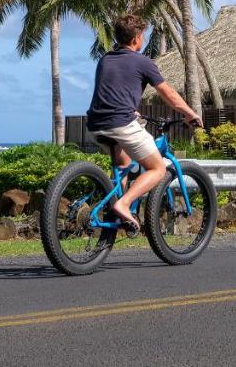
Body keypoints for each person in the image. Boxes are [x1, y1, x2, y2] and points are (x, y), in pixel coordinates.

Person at [86, 13, 201, 230]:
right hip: (121, 124)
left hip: (96, 124)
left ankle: (114, 214)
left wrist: (132, 111)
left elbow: (115, 91)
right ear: (136, 38)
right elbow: (168, 94)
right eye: (143, 35)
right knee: (157, 168)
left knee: (124, 164)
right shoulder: (143, 62)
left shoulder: (105, 60)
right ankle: (124, 203)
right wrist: (190, 113)